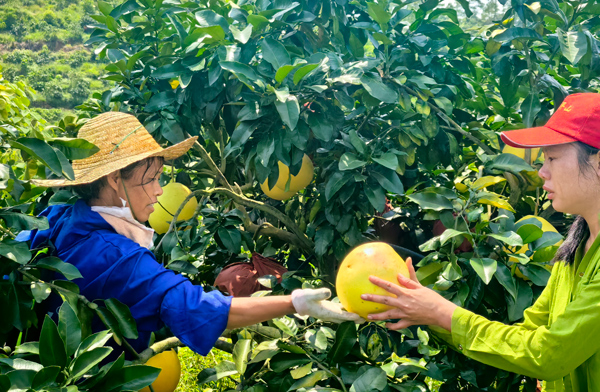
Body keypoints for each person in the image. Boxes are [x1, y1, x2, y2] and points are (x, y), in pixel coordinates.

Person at [18, 112, 363, 358]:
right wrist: (294, 303)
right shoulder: (118, 258)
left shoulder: (59, 217)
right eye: (150, 179)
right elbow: (196, 307)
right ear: (114, 180)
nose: (158, 191)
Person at [361, 92, 600, 392]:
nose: (541, 172)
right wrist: (427, 310)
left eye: (552, 158)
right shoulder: (578, 244)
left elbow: (549, 353)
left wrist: (441, 312)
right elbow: (530, 334)